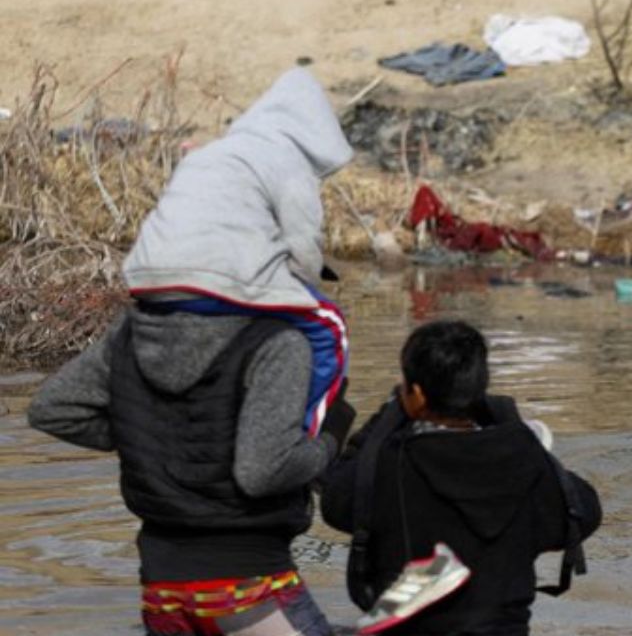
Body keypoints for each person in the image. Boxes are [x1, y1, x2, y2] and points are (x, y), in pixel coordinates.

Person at [26, 68, 361, 636]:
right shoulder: (278, 346)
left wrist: (143, 430)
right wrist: (329, 444)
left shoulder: (131, 333)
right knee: (331, 334)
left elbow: (51, 408)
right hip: (247, 588)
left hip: (162, 591)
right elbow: (262, 471)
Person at [321, 321, 602, 636]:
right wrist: (513, 427)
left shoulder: (390, 463)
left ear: (415, 395)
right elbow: (583, 515)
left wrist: (383, 420)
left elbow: (335, 500)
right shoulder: (525, 464)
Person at [123, 67, 354, 438]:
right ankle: (303, 439)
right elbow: (303, 252)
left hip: (145, 276)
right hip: (211, 280)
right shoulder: (289, 161)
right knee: (331, 328)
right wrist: (300, 292)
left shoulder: (213, 154)